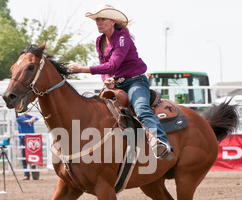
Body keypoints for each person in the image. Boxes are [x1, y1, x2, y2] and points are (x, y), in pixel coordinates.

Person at [68, 4, 174, 161]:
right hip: (117, 85)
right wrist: (107, 80)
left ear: (112, 21)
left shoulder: (123, 37)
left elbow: (113, 65)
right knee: (97, 111)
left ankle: (162, 143)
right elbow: (106, 68)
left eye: (102, 19)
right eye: (97, 19)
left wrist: (81, 69)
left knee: (141, 108)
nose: (98, 22)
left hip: (135, 82)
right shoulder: (99, 41)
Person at [16, 113, 40, 180]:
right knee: (24, 158)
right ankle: (26, 174)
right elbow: (18, 119)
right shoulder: (20, 117)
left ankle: (34, 174)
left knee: (33, 156)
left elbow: (36, 117)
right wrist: (30, 120)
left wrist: (33, 118)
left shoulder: (31, 116)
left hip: (31, 139)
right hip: (23, 139)